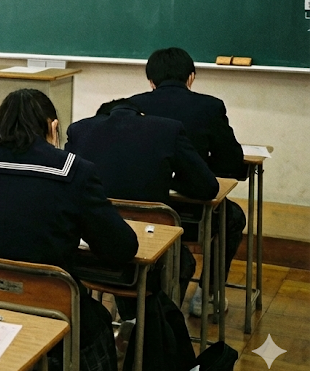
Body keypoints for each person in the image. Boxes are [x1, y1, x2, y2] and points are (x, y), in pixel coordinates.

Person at [0, 89, 138, 371]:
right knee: (97, 320)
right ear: (53, 127)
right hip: (52, 313)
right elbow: (121, 247)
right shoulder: (73, 170)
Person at [65, 98, 219, 313]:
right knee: (182, 261)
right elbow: (208, 187)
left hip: (86, 258)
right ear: (142, 116)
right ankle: (156, 323)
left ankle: (132, 318)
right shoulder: (168, 129)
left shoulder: (79, 130)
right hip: (145, 252)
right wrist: (168, 177)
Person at [128, 47, 247, 316]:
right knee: (233, 218)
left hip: (141, 213)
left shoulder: (132, 106)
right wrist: (200, 169)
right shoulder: (210, 106)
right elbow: (232, 164)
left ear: (150, 80)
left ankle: (138, 306)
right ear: (191, 77)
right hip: (193, 214)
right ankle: (207, 295)